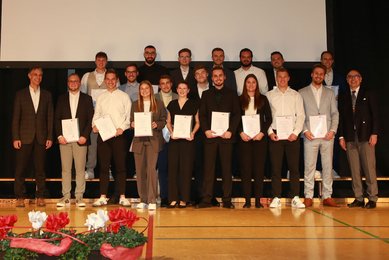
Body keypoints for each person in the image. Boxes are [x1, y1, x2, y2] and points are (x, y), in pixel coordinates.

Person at [197, 66, 240, 209]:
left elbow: (236, 115)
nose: (218, 78)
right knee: (209, 170)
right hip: (210, 137)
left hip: (226, 137)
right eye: (215, 76)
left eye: (220, 75)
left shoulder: (233, 94)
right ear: (212, 78)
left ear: (225, 77)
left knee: (227, 170)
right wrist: (206, 130)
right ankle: (207, 199)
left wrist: (230, 131)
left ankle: (227, 199)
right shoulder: (206, 94)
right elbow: (202, 115)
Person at [12, 67, 53, 207]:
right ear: (29, 76)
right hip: (24, 137)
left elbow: (50, 118)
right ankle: (19, 196)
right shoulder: (20, 94)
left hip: (41, 137)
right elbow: (16, 118)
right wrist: (15, 137)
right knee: (21, 168)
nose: (38, 77)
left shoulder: (47, 95)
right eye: (35, 74)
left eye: (40, 75)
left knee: (40, 169)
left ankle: (40, 195)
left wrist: (50, 136)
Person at [338, 69, 380, 209]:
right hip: (350, 138)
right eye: (350, 77)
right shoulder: (343, 96)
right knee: (354, 170)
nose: (353, 79)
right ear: (347, 79)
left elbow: (375, 115)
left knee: (369, 168)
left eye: (356, 76)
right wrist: (342, 136)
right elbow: (342, 119)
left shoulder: (368, 94)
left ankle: (372, 198)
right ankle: (359, 198)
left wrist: (374, 133)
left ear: (360, 79)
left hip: (366, 137)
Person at [299, 64, 339, 208]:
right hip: (310, 136)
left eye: (321, 74)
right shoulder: (302, 92)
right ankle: (308, 196)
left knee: (328, 166)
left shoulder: (329, 93)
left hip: (327, 136)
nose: (318, 76)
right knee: (309, 166)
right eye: (316, 73)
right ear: (311, 74)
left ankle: (327, 196)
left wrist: (333, 131)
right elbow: (299, 114)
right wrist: (304, 130)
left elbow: (335, 113)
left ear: (324, 76)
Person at [266, 68, 305, 209]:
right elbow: (266, 117)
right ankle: (276, 197)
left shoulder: (296, 95)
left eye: (284, 77)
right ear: (276, 78)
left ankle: (295, 197)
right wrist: (270, 132)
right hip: (275, 135)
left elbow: (301, 116)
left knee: (294, 168)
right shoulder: (269, 95)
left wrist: (295, 133)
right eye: (279, 77)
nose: (282, 79)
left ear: (288, 78)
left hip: (292, 135)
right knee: (276, 168)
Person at [91, 69, 132, 207]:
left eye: (112, 79)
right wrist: (95, 126)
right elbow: (96, 115)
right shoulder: (101, 97)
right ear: (104, 81)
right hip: (104, 136)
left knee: (120, 167)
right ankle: (103, 196)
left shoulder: (124, 96)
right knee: (103, 167)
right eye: (107, 79)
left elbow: (128, 117)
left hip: (119, 136)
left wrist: (122, 127)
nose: (110, 81)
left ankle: (122, 196)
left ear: (117, 80)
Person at [54, 73, 94, 207]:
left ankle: (79, 197)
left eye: (75, 81)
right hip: (64, 140)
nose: (73, 83)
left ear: (79, 83)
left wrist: (85, 136)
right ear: (67, 83)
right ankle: (65, 196)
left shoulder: (87, 99)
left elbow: (90, 120)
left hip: (80, 140)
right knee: (65, 169)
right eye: (71, 81)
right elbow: (56, 119)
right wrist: (59, 136)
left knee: (80, 169)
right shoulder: (61, 99)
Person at [81, 51, 118, 179]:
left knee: (109, 145)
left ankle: (108, 170)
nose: (101, 62)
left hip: (109, 116)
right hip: (93, 115)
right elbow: (83, 96)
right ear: (95, 61)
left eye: (103, 60)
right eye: (99, 60)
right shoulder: (87, 76)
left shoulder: (112, 77)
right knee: (92, 144)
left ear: (106, 61)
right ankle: (90, 169)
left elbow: (116, 95)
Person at [131, 80, 167, 210]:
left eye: (147, 88)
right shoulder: (135, 104)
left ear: (151, 90)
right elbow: (131, 121)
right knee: (140, 170)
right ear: (139, 91)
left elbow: (164, 120)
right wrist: (132, 124)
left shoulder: (159, 104)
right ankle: (143, 199)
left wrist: (157, 124)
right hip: (139, 141)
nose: (144, 91)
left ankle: (152, 199)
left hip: (154, 140)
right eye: (142, 89)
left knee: (152, 169)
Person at [238, 74, 272, 208]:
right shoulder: (239, 100)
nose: (251, 85)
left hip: (259, 140)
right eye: (248, 82)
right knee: (245, 171)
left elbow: (268, 118)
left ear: (257, 84)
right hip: (244, 140)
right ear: (245, 84)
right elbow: (236, 118)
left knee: (259, 170)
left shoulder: (263, 99)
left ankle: (258, 201)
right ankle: (247, 200)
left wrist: (262, 133)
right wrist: (240, 132)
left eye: (253, 82)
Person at [166, 81, 200, 208]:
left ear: (188, 90)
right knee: (173, 169)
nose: (181, 90)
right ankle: (173, 198)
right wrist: (171, 132)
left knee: (186, 170)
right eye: (179, 88)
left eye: (184, 88)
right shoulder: (172, 104)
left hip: (188, 141)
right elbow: (168, 122)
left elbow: (198, 122)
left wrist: (193, 133)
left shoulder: (194, 104)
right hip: (174, 140)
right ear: (177, 89)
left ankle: (184, 199)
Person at [155, 75, 178, 207]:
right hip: (159, 138)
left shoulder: (178, 96)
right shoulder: (154, 98)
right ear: (159, 86)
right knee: (162, 168)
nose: (165, 86)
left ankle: (174, 196)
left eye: (167, 83)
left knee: (174, 168)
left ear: (171, 84)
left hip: (176, 137)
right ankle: (164, 196)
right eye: (162, 83)